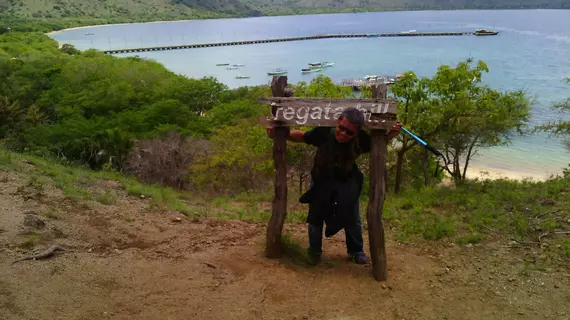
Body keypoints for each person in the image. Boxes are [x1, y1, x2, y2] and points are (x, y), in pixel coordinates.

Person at [266, 107, 402, 265]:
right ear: (337, 121)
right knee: (316, 217)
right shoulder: (325, 132)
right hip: (321, 178)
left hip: (346, 179)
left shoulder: (362, 139)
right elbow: (303, 136)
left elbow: (379, 142)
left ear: (357, 133)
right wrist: (282, 134)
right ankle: (314, 251)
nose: (343, 134)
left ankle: (356, 251)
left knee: (352, 216)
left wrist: (391, 134)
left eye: (349, 132)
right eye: (341, 128)